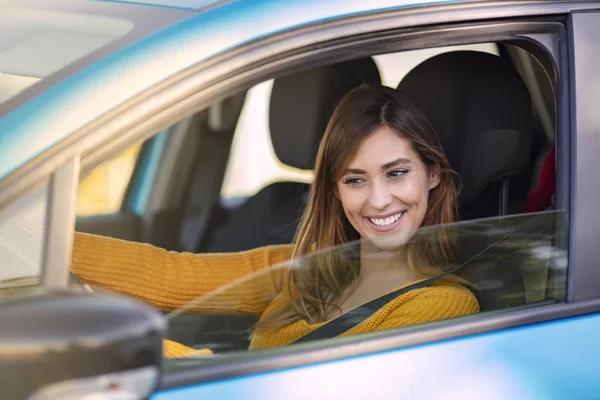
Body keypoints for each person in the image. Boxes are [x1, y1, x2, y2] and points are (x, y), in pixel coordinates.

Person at [71, 84, 479, 358]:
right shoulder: (310, 266)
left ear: (433, 174)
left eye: (396, 173)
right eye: (355, 179)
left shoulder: (443, 306)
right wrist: (36, 244)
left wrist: (98, 339)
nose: (378, 199)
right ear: (335, 190)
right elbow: (172, 274)